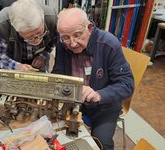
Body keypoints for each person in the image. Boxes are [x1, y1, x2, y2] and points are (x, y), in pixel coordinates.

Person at [52, 8, 134, 150]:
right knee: (54, 133)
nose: (72, 43)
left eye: (77, 35)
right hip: (74, 101)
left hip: (104, 106)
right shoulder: (62, 44)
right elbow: (58, 73)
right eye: (66, 37)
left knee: (101, 141)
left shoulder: (109, 44)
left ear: (89, 28)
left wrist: (98, 95)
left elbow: (127, 85)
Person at [0, 0, 57, 72]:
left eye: (40, 33)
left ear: (42, 19)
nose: (37, 40)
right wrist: (17, 67)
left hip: (40, 64)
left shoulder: (52, 19)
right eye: (30, 38)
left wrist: (42, 56)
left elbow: (53, 42)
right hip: (13, 63)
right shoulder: (2, 25)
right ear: (17, 30)